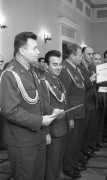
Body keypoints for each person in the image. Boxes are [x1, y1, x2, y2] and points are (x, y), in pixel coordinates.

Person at [0, 32, 63, 180]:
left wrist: (52, 110)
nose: (38, 52)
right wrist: (40, 121)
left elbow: (39, 101)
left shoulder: (32, 72)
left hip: (38, 137)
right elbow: (10, 111)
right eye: (35, 48)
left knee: (38, 175)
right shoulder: (10, 74)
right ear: (22, 51)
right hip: (22, 141)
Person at [40, 50, 72, 180]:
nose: (59, 67)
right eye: (55, 64)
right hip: (53, 130)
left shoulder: (56, 79)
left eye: (60, 64)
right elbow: (43, 107)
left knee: (58, 163)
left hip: (62, 127)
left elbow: (64, 102)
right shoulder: (44, 81)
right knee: (52, 165)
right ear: (46, 65)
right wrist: (46, 132)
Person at [59, 44, 86, 179]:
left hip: (80, 111)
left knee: (76, 142)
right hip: (73, 113)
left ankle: (74, 163)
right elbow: (66, 97)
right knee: (71, 143)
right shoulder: (65, 70)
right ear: (72, 56)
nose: (82, 58)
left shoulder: (75, 68)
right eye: (80, 55)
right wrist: (69, 117)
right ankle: (68, 167)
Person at [79, 46, 99, 157]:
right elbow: (80, 86)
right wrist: (90, 80)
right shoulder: (79, 68)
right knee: (83, 130)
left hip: (93, 101)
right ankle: (82, 151)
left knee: (91, 128)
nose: (91, 56)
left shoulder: (92, 67)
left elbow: (96, 84)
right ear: (82, 55)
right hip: (85, 103)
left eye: (92, 54)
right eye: (89, 54)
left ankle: (86, 148)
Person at [92, 52, 107, 149]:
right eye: (95, 59)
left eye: (99, 59)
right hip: (95, 99)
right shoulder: (91, 70)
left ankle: (98, 141)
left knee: (101, 122)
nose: (98, 61)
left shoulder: (102, 70)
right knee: (95, 123)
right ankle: (93, 143)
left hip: (102, 98)